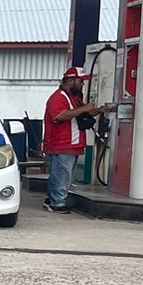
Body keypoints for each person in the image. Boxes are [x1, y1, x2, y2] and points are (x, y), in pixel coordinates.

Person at [43, 67, 105, 212]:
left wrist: (98, 110)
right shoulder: (58, 98)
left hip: (71, 144)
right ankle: (57, 203)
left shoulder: (73, 98)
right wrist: (84, 109)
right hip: (61, 144)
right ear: (70, 81)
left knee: (61, 174)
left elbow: (81, 112)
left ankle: (52, 199)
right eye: (80, 81)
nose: (82, 84)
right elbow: (60, 116)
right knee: (62, 174)